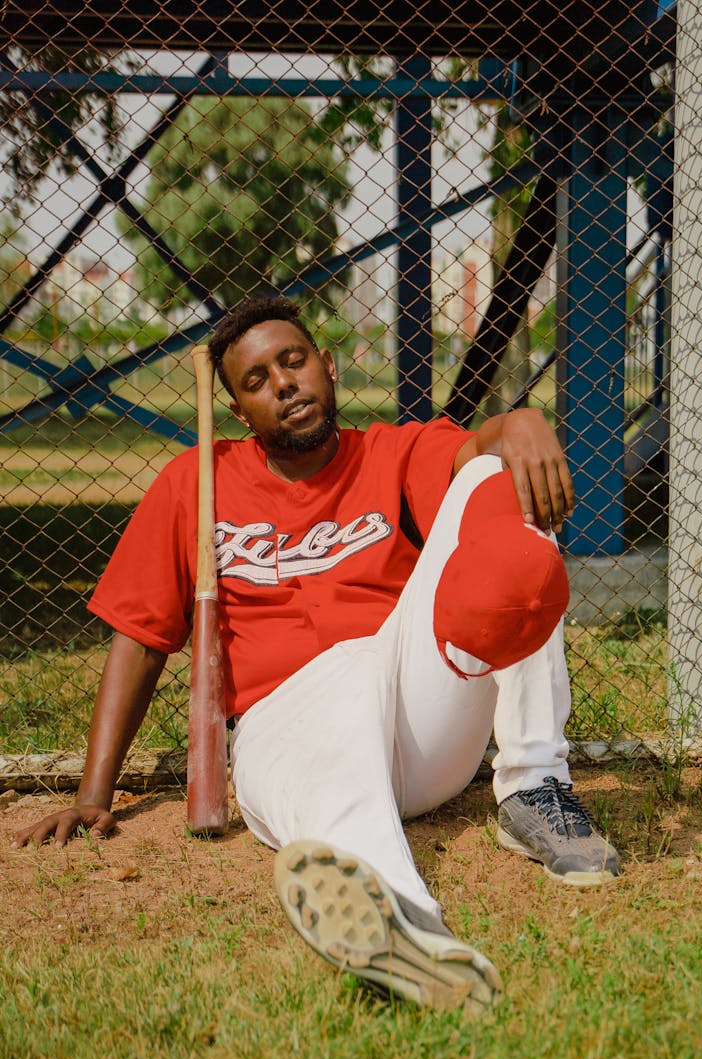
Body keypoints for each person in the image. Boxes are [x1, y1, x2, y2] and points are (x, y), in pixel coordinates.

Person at [12, 295, 619, 1015]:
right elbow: (141, 638)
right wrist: (93, 794)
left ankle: (533, 786)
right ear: (239, 409)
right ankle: (412, 933)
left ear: (327, 367)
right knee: (336, 758)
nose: (284, 383)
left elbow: (474, 454)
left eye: (294, 361)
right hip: (282, 725)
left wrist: (513, 424)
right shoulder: (195, 483)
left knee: (494, 480)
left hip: (411, 703)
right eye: (258, 379)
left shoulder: (387, 453)